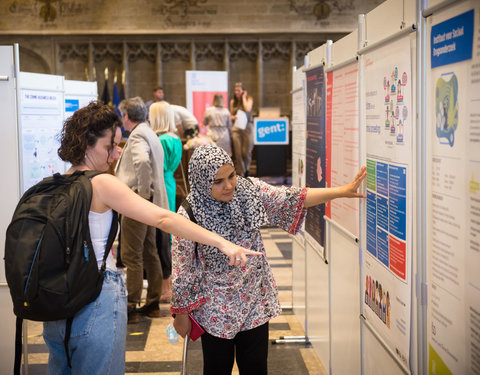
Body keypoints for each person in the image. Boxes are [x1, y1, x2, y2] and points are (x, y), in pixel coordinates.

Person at [43, 102, 259, 374]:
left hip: (56, 303)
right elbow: (164, 219)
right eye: (110, 146)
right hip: (94, 299)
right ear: (87, 145)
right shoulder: (100, 182)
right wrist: (221, 242)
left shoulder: (55, 182)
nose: (115, 154)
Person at [171, 145, 367, 375]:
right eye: (218, 181)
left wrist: (342, 191)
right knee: (216, 369)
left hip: (254, 300)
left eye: (231, 175)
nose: (229, 185)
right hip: (215, 309)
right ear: (202, 182)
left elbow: (293, 198)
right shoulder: (188, 214)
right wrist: (181, 314)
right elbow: (182, 267)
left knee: (255, 368)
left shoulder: (249, 192)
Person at [116, 96, 169, 323]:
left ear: (126, 117)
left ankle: (131, 306)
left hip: (138, 203)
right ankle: (153, 302)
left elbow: (142, 163)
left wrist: (141, 197)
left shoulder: (137, 135)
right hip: (151, 203)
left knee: (131, 255)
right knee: (149, 251)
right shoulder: (148, 132)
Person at [149, 101, 183, 302]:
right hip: (169, 182)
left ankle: (166, 285)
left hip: (160, 183)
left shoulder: (161, 140)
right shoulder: (175, 138)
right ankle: (170, 283)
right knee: (168, 233)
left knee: (162, 235)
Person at [230, 82, 254, 177]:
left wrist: (243, 97)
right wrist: (234, 117)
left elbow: (247, 109)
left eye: (239, 90)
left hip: (247, 127)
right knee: (238, 153)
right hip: (237, 127)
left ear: (243, 91)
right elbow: (231, 115)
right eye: (235, 90)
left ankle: (247, 169)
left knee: (246, 152)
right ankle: (242, 172)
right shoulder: (233, 102)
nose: (236, 92)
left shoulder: (249, 99)